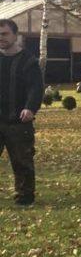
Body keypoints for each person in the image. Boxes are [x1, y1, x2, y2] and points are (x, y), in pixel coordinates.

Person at [0, 19, 43, 206]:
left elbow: (36, 88)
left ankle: (24, 198)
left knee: (22, 162)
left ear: (15, 35)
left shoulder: (28, 61)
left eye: (4, 34)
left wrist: (30, 108)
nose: (1, 38)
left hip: (18, 121)